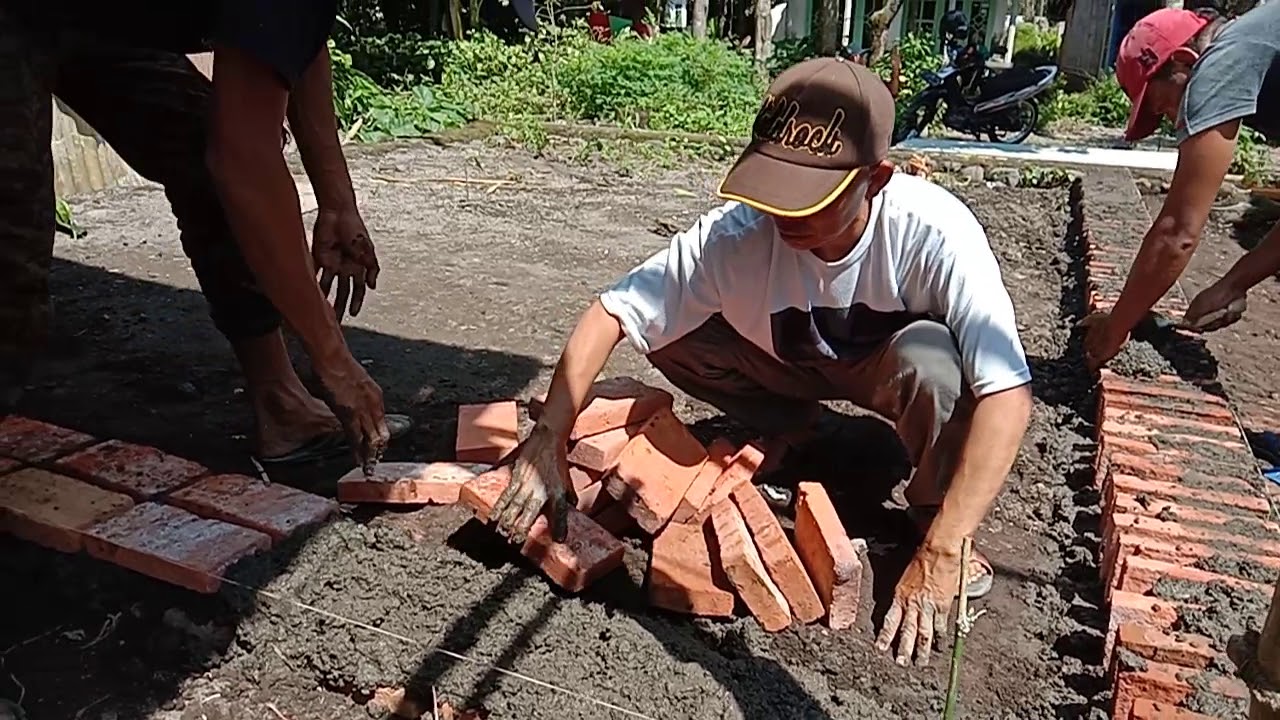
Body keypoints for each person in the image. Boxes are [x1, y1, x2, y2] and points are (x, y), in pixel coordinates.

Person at [489, 57, 1034, 667]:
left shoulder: (934, 233)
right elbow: (611, 313)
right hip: (786, 365)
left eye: (809, 200)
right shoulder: (735, 237)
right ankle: (802, 429)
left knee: (936, 365)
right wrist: (550, 435)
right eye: (775, 191)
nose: (785, 216)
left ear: (874, 180)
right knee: (668, 332)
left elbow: (1008, 396)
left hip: (885, 369)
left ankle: (933, 512)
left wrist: (946, 546)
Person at [0, 1, 412, 472]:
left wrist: (337, 200)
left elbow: (295, 34)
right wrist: (333, 360)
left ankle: (282, 408)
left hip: (90, 18)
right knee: (11, 233)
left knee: (197, 144)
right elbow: (244, 161)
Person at [1081, 3, 1280, 368]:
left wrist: (1115, 329)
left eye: (1162, 105)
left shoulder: (1221, 64)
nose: (1172, 119)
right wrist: (1235, 282)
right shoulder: (1258, 51)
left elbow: (1178, 234)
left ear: (1183, 61)